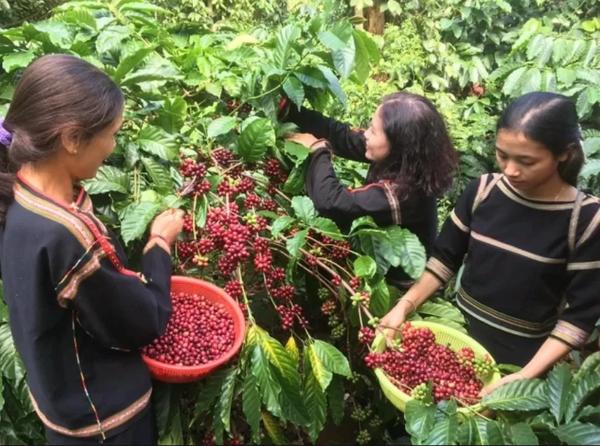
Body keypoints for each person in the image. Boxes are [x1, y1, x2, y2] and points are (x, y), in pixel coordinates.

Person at [0, 54, 184, 444]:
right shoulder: (66, 234)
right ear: (71, 138)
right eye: (112, 133)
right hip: (105, 423)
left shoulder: (17, 194)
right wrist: (159, 244)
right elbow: (142, 323)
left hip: (62, 407)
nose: (113, 146)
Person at [380, 92, 600, 395]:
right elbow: (444, 260)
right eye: (502, 155)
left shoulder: (586, 220)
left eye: (527, 161)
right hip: (455, 343)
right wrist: (404, 306)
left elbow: (578, 318)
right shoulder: (482, 191)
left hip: (520, 363)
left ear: (564, 153)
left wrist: (525, 376)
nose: (510, 170)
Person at [281, 92, 459, 287]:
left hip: (395, 284)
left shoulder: (402, 195)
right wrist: (292, 111)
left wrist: (318, 150)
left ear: (398, 144)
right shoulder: (407, 159)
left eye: (374, 131)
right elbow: (344, 137)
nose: (366, 134)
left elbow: (331, 202)